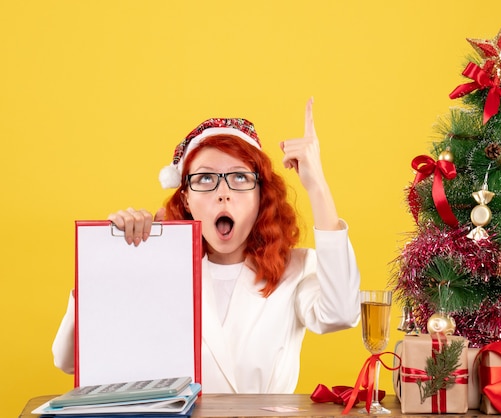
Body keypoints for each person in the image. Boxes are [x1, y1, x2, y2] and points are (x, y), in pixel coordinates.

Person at [51, 98, 361, 393]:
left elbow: (342, 312)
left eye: (240, 178)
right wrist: (112, 259)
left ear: (260, 196)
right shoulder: (154, 267)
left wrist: (316, 184)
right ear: (185, 197)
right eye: (205, 179)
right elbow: (68, 359)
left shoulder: (294, 268)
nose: (223, 193)